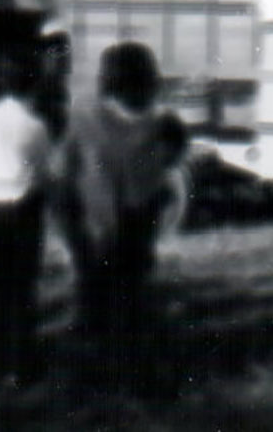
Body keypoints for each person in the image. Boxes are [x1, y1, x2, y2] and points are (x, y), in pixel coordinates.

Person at [55, 42, 188, 366]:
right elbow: (64, 174)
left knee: (123, 294)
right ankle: (102, 357)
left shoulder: (159, 125)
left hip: (127, 223)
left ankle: (117, 358)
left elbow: (173, 160)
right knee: (102, 292)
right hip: (98, 225)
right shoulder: (89, 120)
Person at [0, 51, 53, 387]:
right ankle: (19, 367)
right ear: (32, 87)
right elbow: (42, 171)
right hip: (23, 206)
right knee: (22, 287)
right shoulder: (37, 126)